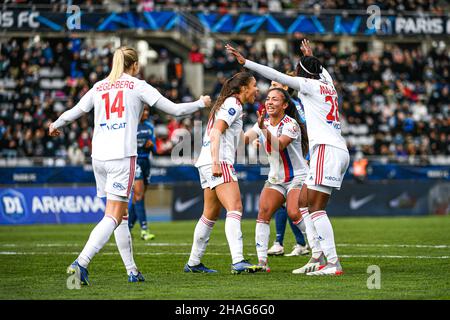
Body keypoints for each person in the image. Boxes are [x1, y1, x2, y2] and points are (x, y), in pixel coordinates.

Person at [49, 46, 211, 284]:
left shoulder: (99, 86)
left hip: (99, 157)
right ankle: (81, 263)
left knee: (121, 214)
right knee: (113, 216)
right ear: (134, 65)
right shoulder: (137, 85)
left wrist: (56, 123)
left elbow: (75, 111)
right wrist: (200, 103)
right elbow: (175, 111)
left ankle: (132, 270)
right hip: (121, 156)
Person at [227, 39, 350, 276]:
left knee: (315, 208)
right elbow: (318, 69)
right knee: (304, 202)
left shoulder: (309, 85)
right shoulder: (328, 83)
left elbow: (276, 75)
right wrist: (310, 58)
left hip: (325, 148)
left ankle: (332, 262)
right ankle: (317, 257)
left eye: (297, 70)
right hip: (336, 148)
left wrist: (247, 63)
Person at [184, 72, 262, 274]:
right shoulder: (233, 104)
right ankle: (238, 260)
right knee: (235, 207)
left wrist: (258, 127)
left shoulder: (231, 105)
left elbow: (243, 139)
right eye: (254, 85)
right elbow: (216, 132)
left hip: (206, 162)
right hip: (217, 161)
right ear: (244, 88)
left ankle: (193, 263)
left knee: (210, 213)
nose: (257, 90)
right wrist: (217, 162)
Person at [244, 88, 309, 272]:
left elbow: (279, 144)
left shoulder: (291, 124)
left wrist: (263, 130)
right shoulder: (262, 123)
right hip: (276, 178)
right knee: (263, 213)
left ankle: (318, 248)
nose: (270, 102)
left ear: (285, 105)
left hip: (297, 176)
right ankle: (262, 262)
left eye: (275, 99)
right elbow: (243, 140)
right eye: (268, 99)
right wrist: (226, 130)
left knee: (294, 212)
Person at [266, 75, 310, 257]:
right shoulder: (278, 107)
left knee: (293, 206)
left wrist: (306, 156)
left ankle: (303, 242)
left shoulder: (294, 106)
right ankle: (291, 242)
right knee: (285, 205)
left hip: (296, 162)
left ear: (286, 87)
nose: (271, 88)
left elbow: (305, 131)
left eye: (275, 85)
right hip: (281, 162)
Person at [128, 104, 156, 240]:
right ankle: (144, 230)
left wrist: (152, 146)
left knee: (137, 197)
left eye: (147, 110)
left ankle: (127, 229)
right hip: (136, 161)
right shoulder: (131, 126)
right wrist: (141, 146)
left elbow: (155, 148)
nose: (146, 113)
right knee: (139, 195)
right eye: (143, 110)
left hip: (146, 163)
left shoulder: (150, 127)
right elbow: (128, 145)